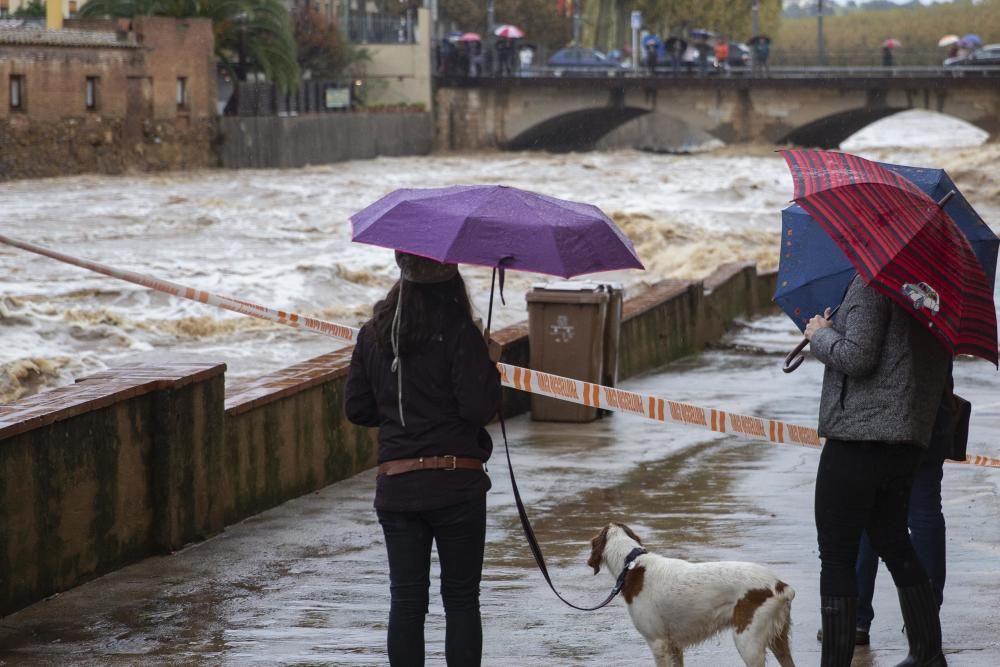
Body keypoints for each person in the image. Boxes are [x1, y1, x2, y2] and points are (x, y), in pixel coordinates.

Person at [345, 251, 501, 666]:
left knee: (407, 600)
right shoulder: (461, 333)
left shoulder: (373, 335)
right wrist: (489, 364)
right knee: (462, 598)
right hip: (456, 486)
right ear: (452, 281)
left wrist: (403, 411)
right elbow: (477, 409)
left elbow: (357, 409)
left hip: (397, 487)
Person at [804, 274, 950, 667]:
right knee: (893, 540)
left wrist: (821, 335)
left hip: (858, 438)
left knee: (836, 555)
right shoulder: (929, 289)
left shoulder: (873, 284)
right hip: (904, 438)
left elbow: (859, 357)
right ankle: (927, 654)